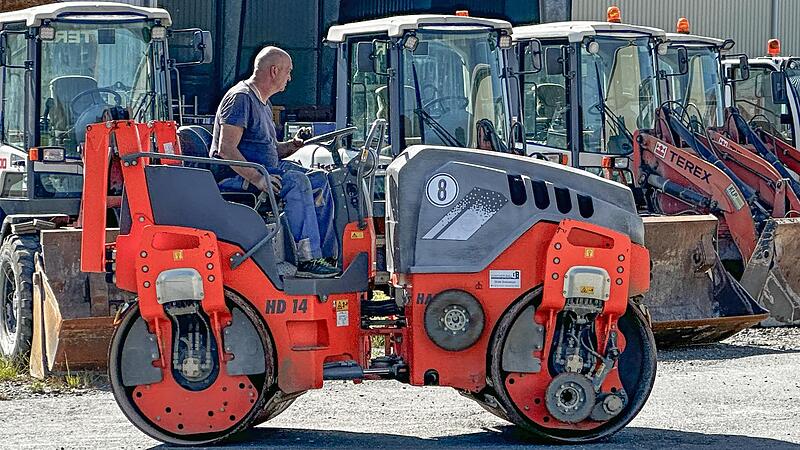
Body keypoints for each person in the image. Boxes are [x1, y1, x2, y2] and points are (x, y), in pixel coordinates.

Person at [210, 46, 339, 278]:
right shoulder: (240, 98)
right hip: (237, 177)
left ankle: (326, 256)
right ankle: (307, 259)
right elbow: (226, 149)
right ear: (273, 71)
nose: (290, 78)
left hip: (266, 170)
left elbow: (267, 150)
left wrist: (292, 145)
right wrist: (258, 178)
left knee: (320, 178)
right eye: (288, 72)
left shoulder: (264, 103)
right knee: (297, 182)